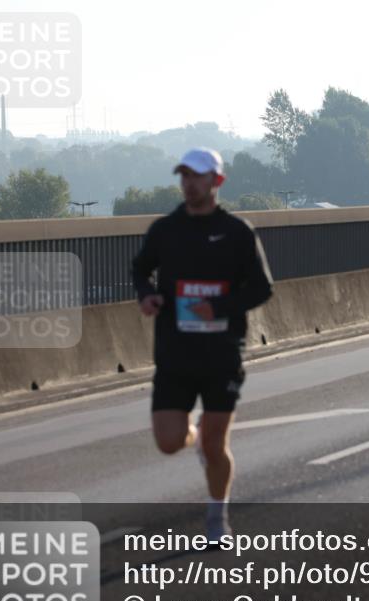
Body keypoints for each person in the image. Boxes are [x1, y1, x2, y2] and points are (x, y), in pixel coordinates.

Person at [132, 147, 274, 540]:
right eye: (183, 176)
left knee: (216, 444)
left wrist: (221, 307)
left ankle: (217, 520)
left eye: (196, 176)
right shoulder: (165, 229)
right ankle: (190, 434)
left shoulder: (237, 232)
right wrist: (146, 295)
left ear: (217, 181)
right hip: (175, 354)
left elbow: (263, 287)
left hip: (222, 354)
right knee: (168, 442)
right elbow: (140, 268)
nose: (188, 183)